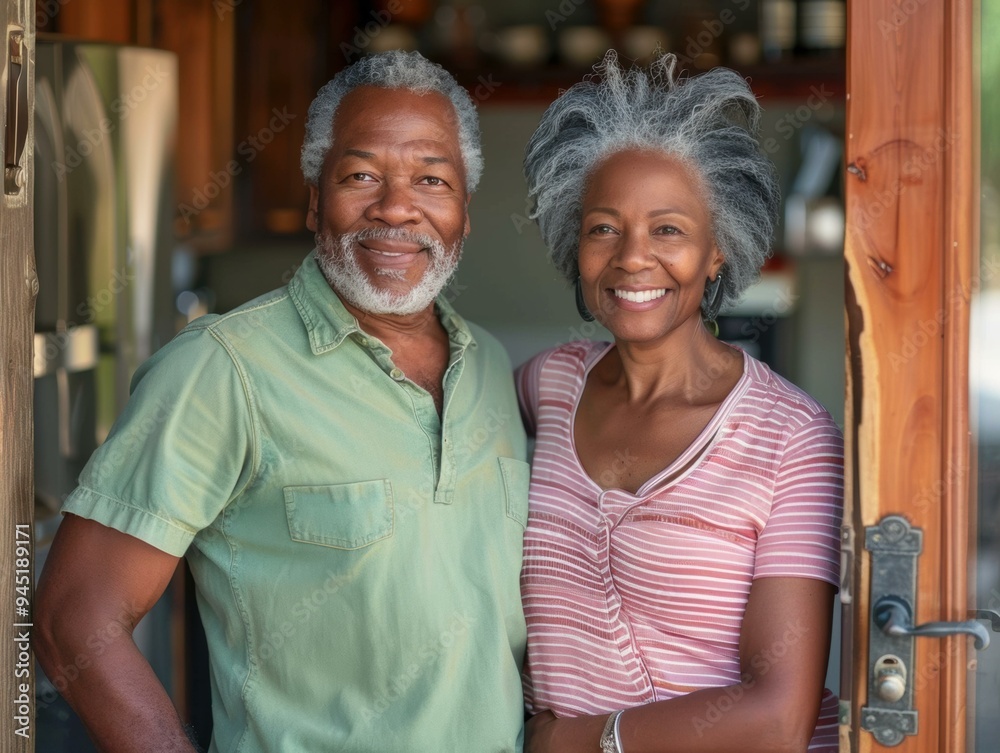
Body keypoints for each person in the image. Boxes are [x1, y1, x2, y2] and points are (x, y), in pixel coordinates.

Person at [35, 50, 530, 753]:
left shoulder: (490, 370)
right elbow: (72, 618)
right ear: (312, 197)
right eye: (361, 176)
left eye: (432, 179)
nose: (396, 207)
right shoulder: (222, 369)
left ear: (464, 212)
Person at [516, 51, 843, 753]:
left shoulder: (792, 437)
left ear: (717, 249)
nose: (633, 257)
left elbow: (777, 718)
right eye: (605, 227)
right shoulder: (546, 386)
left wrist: (575, 741)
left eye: (668, 229)